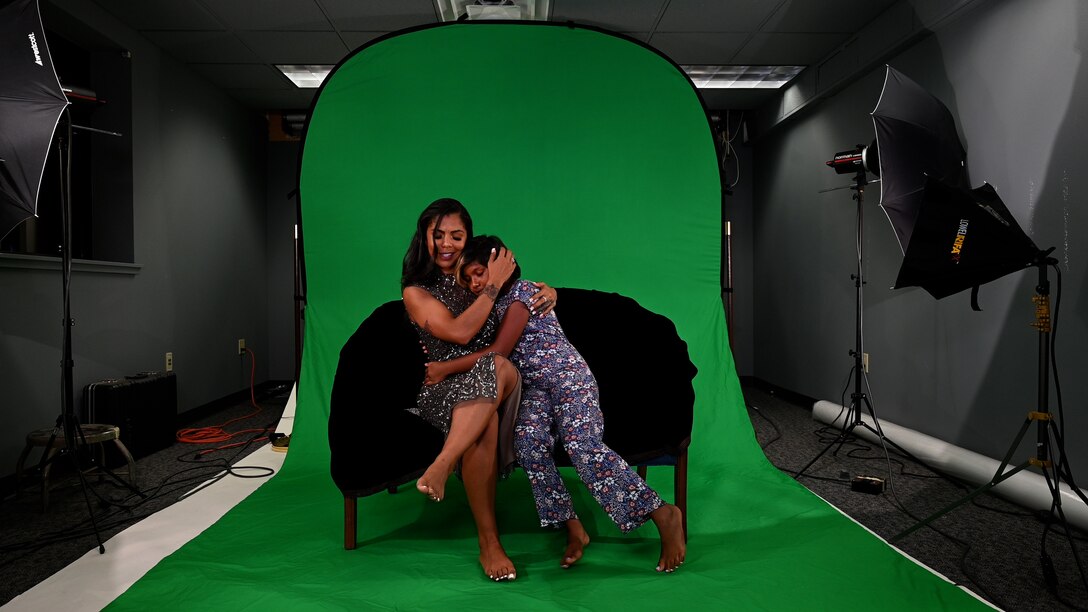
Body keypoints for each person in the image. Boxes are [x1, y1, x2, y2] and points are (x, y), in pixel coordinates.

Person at [424, 235, 687, 574]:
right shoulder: (491, 305)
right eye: (469, 278)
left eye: (479, 274)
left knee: (581, 445)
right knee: (528, 444)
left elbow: (500, 351)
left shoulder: (523, 294)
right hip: (535, 389)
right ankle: (573, 528)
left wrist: (444, 369)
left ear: (502, 268)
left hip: (566, 378)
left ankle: (662, 513)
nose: (476, 283)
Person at [400, 198, 557, 582]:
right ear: (425, 237)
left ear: (468, 237)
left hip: (497, 378)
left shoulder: (477, 274)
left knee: (498, 366)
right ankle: (490, 542)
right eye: (438, 235)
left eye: (457, 234)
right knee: (483, 419)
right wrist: (493, 287)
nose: (447, 243)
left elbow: (522, 296)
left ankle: (442, 462)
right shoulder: (416, 292)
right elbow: (459, 332)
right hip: (443, 388)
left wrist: (549, 292)